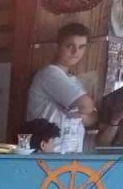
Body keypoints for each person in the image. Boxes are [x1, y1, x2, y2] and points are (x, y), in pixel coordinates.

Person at [26, 23, 96, 152]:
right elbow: (86, 105)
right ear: (57, 47)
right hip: (48, 154)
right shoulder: (49, 73)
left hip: (70, 154)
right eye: (70, 46)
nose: (76, 52)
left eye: (81, 47)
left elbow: (92, 119)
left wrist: (83, 113)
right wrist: (83, 111)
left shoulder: (74, 81)